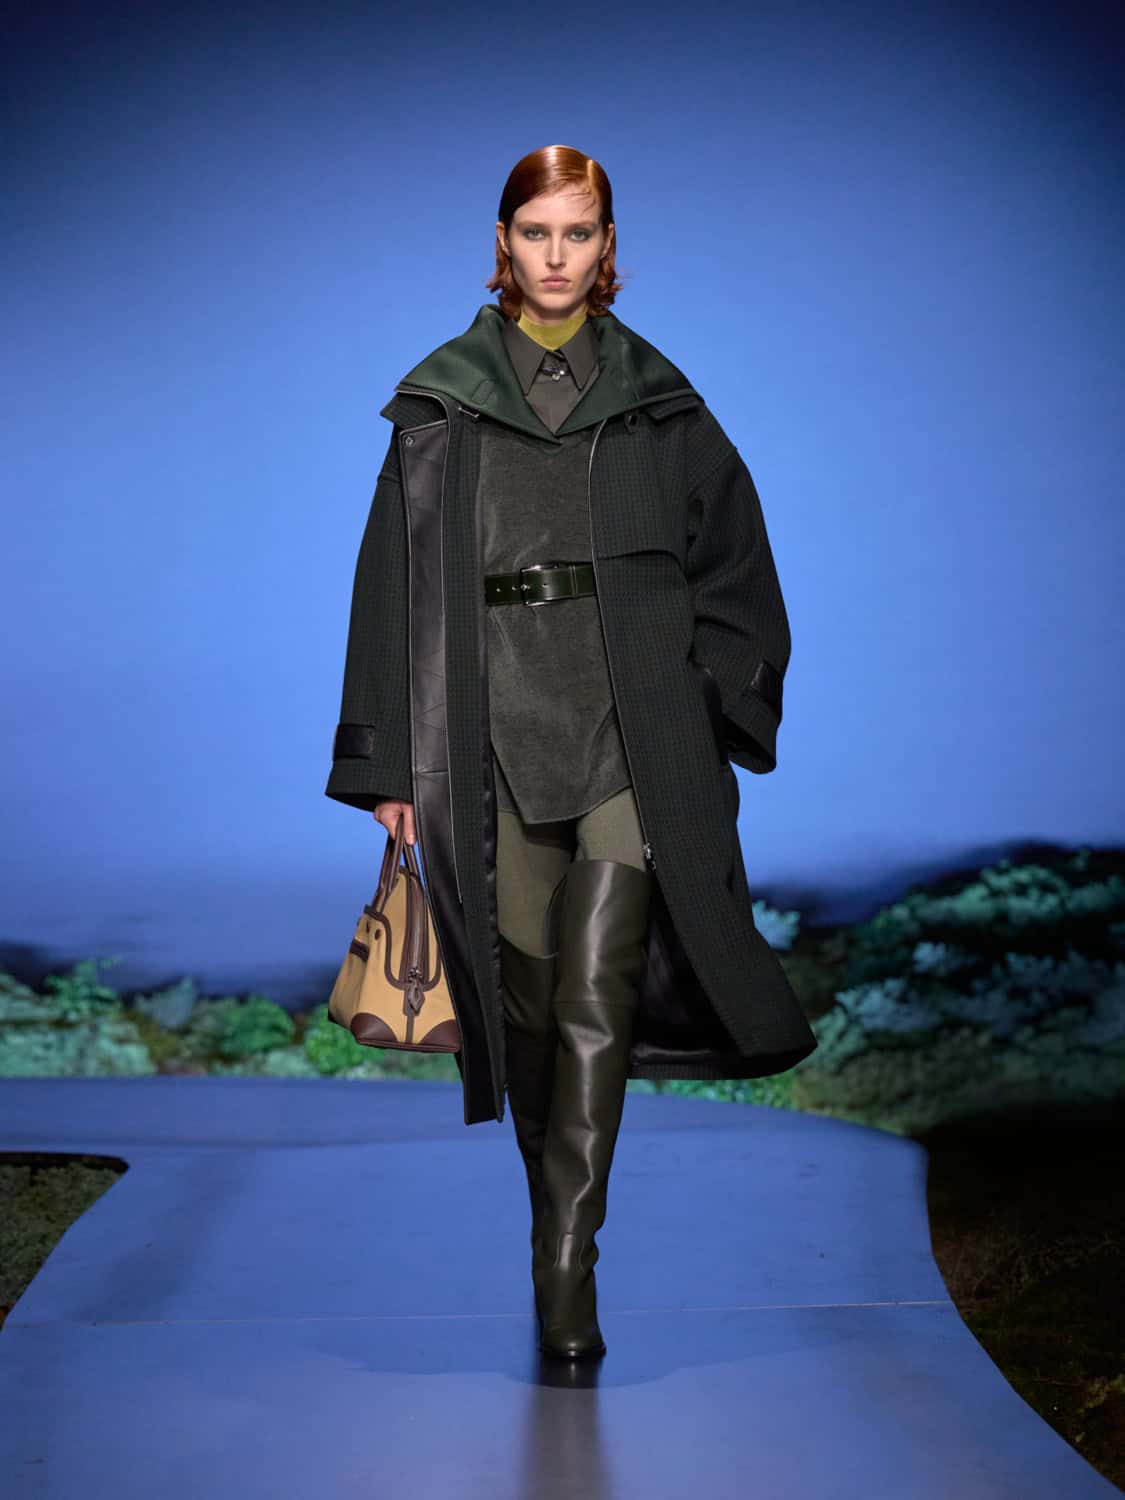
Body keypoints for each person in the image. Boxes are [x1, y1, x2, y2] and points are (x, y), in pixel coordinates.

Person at [325, 144, 816, 1361]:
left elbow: (739, 571)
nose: (557, 256)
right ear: (504, 244)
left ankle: (565, 1267)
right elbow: (388, 589)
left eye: (579, 233)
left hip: (632, 731)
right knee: (533, 1009)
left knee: (597, 995)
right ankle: (554, 1221)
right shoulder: (440, 407)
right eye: (536, 233)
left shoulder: (659, 405)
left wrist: (704, 711)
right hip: (487, 728)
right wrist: (389, 769)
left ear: (608, 247)